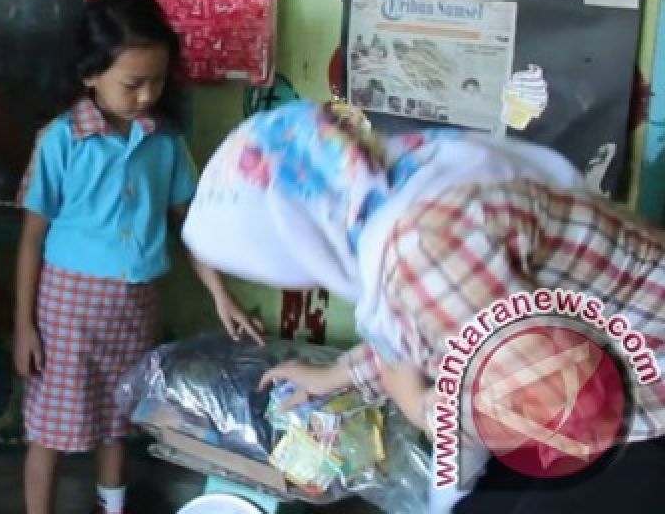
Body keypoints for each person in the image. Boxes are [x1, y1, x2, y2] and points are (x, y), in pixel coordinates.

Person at [181, 100, 665, 513]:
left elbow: (561, 414)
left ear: (296, 237)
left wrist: (418, 405)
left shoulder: (419, 248)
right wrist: (337, 376)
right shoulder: (420, 176)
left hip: (639, 406)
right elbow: (446, 323)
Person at [15, 0, 261, 514]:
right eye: (132, 83)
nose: (147, 95)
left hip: (137, 307)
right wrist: (23, 326)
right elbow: (32, 237)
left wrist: (221, 295)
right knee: (51, 428)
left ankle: (113, 507)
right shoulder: (60, 141)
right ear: (90, 75)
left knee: (118, 420)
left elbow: (190, 228)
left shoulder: (166, 143)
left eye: (158, 81)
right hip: (67, 313)